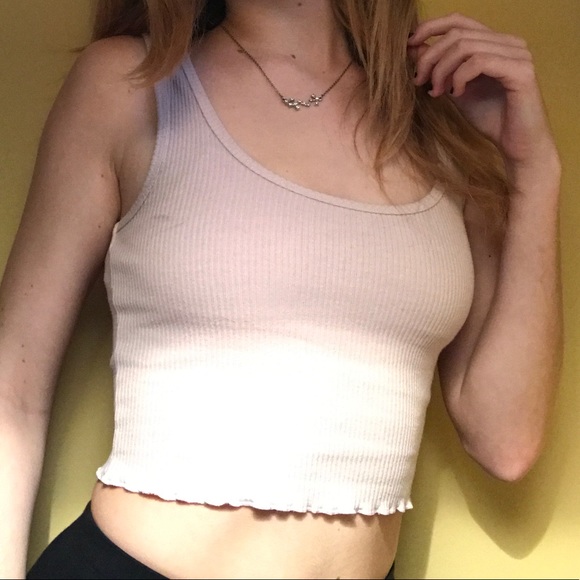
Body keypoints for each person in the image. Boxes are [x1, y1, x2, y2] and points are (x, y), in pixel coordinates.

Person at [0, 0, 562, 578]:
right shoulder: (131, 83)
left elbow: (506, 443)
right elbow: (12, 390)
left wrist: (535, 171)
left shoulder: (441, 125)